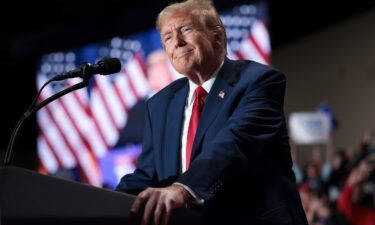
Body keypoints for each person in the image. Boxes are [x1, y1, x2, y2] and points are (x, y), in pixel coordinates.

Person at [116, 0, 308, 225]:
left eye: (186, 29)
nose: (177, 42)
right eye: (167, 37)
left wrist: (183, 189)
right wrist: (95, 198)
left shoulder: (258, 81)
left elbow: (234, 144)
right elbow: (147, 175)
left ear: (217, 36)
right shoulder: (159, 105)